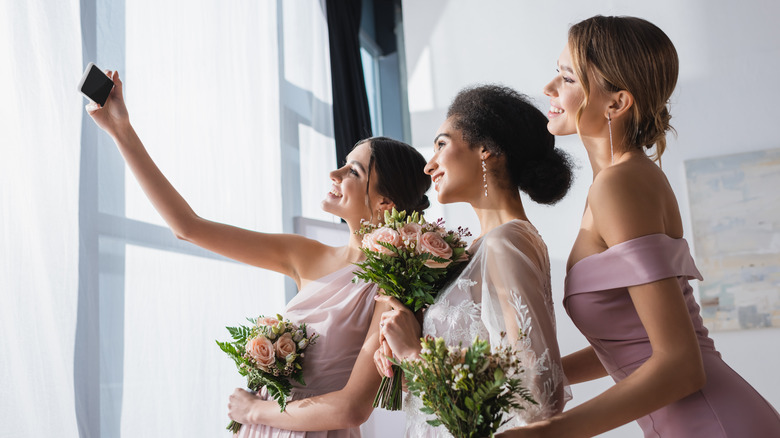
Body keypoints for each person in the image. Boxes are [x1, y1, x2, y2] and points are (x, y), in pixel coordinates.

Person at [86, 70, 431, 437]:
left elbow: (351, 408)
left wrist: (254, 409)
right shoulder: (303, 253)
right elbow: (187, 227)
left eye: (353, 171)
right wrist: (121, 131)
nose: (335, 172)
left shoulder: (391, 290)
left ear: (383, 203)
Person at [497, 15, 780, 438]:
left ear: (616, 103)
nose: (549, 88)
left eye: (567, 78)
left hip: (714, 423)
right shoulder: (624, 180)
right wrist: (527, 376)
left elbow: (681, 366)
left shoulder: (620, 185)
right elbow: (633, 347)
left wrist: (551, 432)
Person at [374, 84, 573, 437]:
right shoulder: (479, 249)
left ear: (487, 149)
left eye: (441, 144)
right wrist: (408, 353)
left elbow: (539, 394)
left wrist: (412, 354)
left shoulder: (505, 242)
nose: (428, 165)